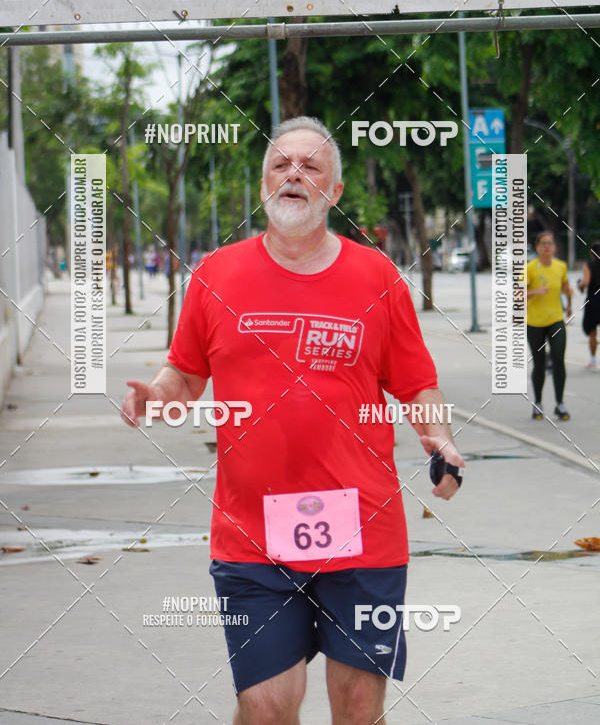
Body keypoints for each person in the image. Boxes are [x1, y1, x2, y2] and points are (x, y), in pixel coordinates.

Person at [121, 117, 464, 725]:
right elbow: (187, 374)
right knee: (266, 707)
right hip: (253, 537)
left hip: (363, 531)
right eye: (280, 165)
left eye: (310, 166)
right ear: (262, 187)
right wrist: (160, 394)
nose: (293, 175)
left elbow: (416, 384)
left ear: (333, 191)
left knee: (359, 708)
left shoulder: (377, 278)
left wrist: (440, 437)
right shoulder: (216, 276)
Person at [526, 231, 573, 421]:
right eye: (543, 243)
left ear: (554, 247)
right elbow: (518, 294)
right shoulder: (529, 268)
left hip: (556, 320)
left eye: (550, 243)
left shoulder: (561, 266)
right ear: (537, 247)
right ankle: (537, 403)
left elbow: (565, 286)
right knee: (539, 364)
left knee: (559, 360)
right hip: (534, 322)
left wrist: (569, 301)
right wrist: (536, 291)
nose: (547, 247)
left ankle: (560, 404)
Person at [577, 242, 600, 369]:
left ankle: (592, 360)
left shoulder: (588, 265)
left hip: (593, 300)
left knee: (592, 332)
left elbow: (585, 283)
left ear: (592, 253)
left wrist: (579, 285)